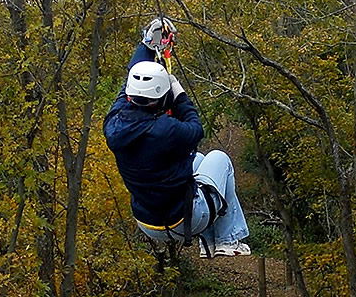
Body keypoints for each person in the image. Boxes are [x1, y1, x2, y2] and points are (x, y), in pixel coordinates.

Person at [104, 17, 250, 257]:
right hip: (186, 220)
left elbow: (128, 83)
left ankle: (210, 244)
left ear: (131, 96)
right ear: (162, 97)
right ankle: (227, 239)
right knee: (220, 159)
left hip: (148, 223)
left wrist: (147, 45)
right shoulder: (164, 130)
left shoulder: (114, 124)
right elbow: (196, 129)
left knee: (199, 161)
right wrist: (180, 95)